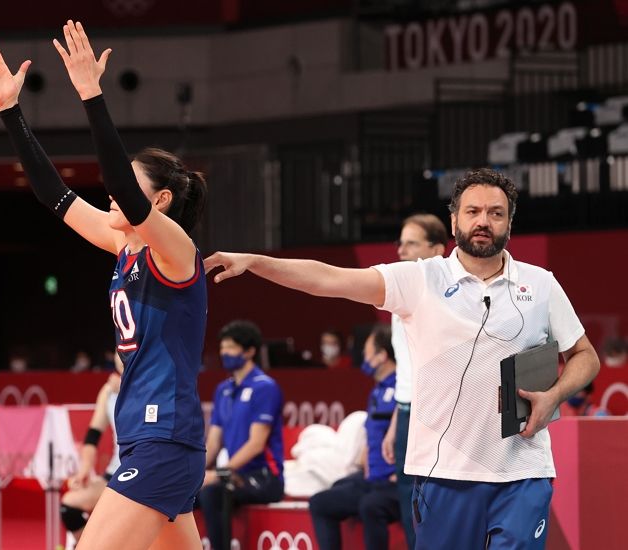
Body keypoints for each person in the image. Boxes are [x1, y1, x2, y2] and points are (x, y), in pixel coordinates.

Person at [204, 168, 600, 549]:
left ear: (510, 222)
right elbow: (328, 278)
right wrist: (256, 262)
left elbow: (584, 356)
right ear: (454, 219)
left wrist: (555, 395)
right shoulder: (419, 280)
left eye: (496, 213)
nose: (484, 221)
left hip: (522, 473)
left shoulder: (541, 284)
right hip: (443, 476)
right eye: (473, 211)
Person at [0, 20, 208, 550]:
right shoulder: (123, 245)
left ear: (161, 203)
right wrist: (10, 112)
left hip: (162, 440)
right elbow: (52, 193)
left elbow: (121, 185)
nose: (108, 193)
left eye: (125, 185)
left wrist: (91, 95)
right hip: (152, 442)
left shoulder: (173, 250)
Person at [380, 213, 447, 550]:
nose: (401, 250)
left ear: (436, 249)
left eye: (411, 243)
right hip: (408, 412)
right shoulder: (398, 296)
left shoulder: (449, 297)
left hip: (438, 412)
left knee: (441, 499)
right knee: (410, 500)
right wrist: (397, 418)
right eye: (400, 243)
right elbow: (407, 369)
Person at [309, 324, 400, 550]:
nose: (363, 358)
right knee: (321, 502)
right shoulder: (377, 391)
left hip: (397, 482)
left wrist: (402, 474)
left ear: (382, 356)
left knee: (370, 506)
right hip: (373, 479)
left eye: (367, 353)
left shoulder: (403, 389)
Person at [199, 320, 284, 550]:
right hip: (233, 475)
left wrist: (218, 473)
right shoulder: (223, 390)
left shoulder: (265, 387)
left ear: (250, 351)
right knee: (183, 492)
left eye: (231, 347)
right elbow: (214, 441)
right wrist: (194, 474)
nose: (224, 352)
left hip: (264, 477)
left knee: (212, 495)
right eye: (222, 347)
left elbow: (256, 444)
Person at [60, 357, 123, 544]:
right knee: (69, 506)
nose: (121, 356)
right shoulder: (108, 391)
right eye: (117, 351)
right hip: (114, 473)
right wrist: (85, 468)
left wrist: (129, 390)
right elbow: (92, 435)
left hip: (141, 473)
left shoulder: (150, 386)